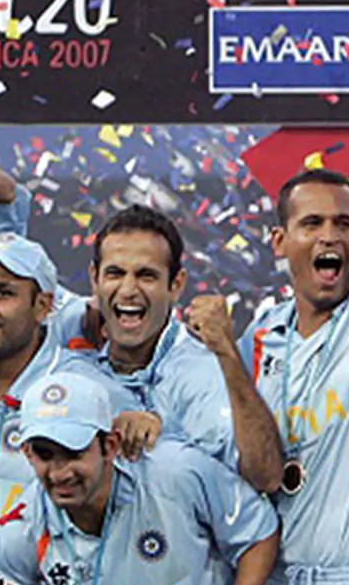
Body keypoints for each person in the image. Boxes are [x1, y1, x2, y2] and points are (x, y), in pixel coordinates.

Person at [0, 232, 161, 585]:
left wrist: (147, 423)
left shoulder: (87, 387)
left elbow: (161, 496)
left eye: (2, 293)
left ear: (43, 307)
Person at [235, 169, 349, 585]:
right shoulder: (260, 336)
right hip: (278, 582)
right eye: (312, 223)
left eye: (343, 224)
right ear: (280, 240)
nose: (329, 236)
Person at [0, 372, 280, 585]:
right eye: (45, 454)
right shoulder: (20, 532)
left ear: (109, 446)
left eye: (74, 453)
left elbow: (257, 535)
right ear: (27, 453)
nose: (60, 473)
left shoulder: (177, 473)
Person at [80, 204, 284, 492]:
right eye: (115, 273)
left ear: (176, 285)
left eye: (146, 275)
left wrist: (161, 440)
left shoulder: (204, 375)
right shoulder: (72, 358)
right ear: (95, 278)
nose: (128, 290)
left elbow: (265, 477)